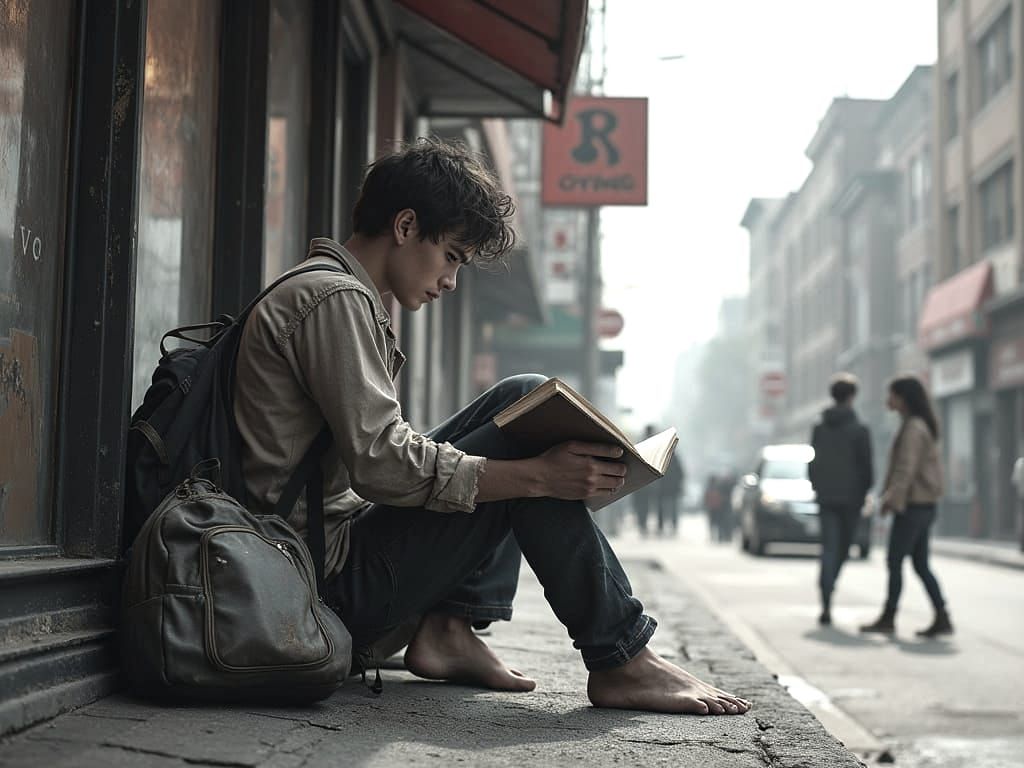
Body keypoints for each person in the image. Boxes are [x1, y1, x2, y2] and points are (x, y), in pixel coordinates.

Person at [233, 138, 750, 715]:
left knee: (521, 399)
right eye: (452, 255)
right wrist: (532, 477)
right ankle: (620, 657)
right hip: (313, 588)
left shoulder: (332, 292)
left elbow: (382, 462)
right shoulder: (332, 299)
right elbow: (382, 465)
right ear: (405, 225)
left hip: (324, 561)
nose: (451, 280)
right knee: (527, 443)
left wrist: (524, 473)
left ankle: (450, 629)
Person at [860, 375, 951, 638]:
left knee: (895, 560)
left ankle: (889, 617)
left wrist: (891, 501)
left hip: (914, 506)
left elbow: (905, 470)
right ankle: (942, 615)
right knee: (920, 564)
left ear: (903, 398)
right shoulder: (916, 425)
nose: (887, 400)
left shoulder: (913, 428)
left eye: (892, 395)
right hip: (923, 505)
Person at [807, 373, 873, 627]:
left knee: (830, 548)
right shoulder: (859, 429)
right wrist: (864, 491)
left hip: (826, 496)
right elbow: (866, 467)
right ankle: (828, 589)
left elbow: (814, 461)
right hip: (851, 499)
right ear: (852, 397)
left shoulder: (820, 427)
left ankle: (825, 598)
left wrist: (817, 485)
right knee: (843, 549)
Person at [657, 448, 684, 536]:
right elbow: (681, 475)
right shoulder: (675, 460)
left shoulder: (663, 459)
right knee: (672, 509)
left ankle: (662, 527)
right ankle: (672, 526)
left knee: (663, 509)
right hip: (671, 490)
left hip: (664, 490)